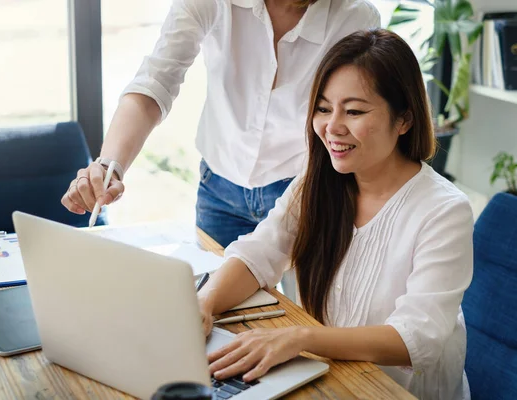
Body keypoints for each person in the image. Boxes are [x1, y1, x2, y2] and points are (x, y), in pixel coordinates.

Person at [197, 29, 474, 400]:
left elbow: (415, 338)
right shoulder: (316, 181)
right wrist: (204, 304)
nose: (332, 127)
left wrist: (301, 337)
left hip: (397, 391)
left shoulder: (444, 210)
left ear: (404, 120)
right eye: (324, 108)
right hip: (326, 375)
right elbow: (258, 253)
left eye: (355, 111)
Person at [61, 0, 380, 248]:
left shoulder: (354, 17)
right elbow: (155, 82)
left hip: (305, 189)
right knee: (215, 313)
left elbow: (356, 119)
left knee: (303, 320)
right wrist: (109, 166)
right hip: (220, 191)